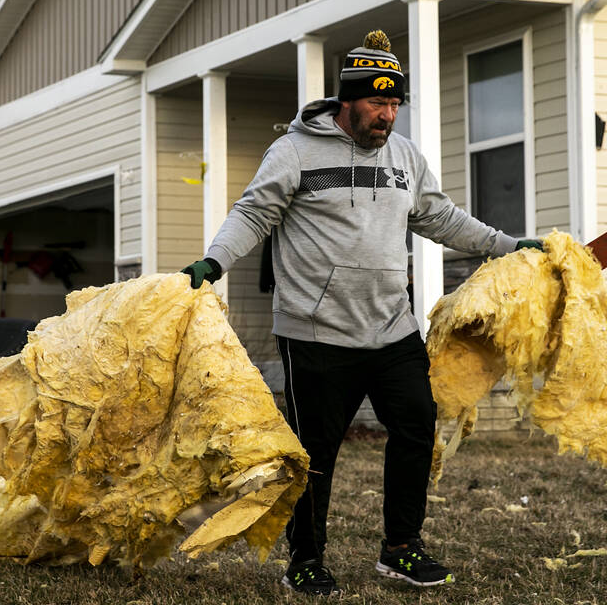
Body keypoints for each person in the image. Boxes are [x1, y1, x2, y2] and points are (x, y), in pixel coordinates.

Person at [182, 30, 543, 596]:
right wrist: (214, 261)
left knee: (416, 428)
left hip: (391, 328)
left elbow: (441, 218)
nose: (387, 115)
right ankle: (304, 560)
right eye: (378, 103)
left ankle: (400, 549)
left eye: (395, 103)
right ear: (346, 100)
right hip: (316, 333)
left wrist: (507, 244)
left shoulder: (403, 157)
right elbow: (254, 214)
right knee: (313, 453)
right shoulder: (295, 151)